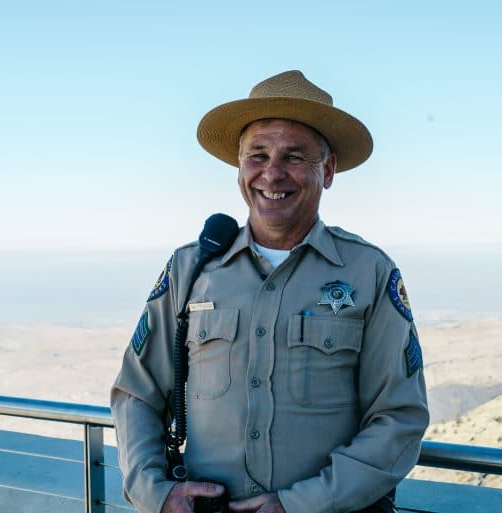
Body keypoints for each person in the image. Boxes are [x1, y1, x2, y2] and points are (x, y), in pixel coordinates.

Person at [111, 70, 429, 513]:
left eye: (294, 156)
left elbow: (399, 417)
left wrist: (302, 504)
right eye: (257, 155)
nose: (272, 174)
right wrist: (156, 493)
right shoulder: (190, 269)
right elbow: (137, 393)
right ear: (240, 166)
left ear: (329, 169)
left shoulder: (368, 272)